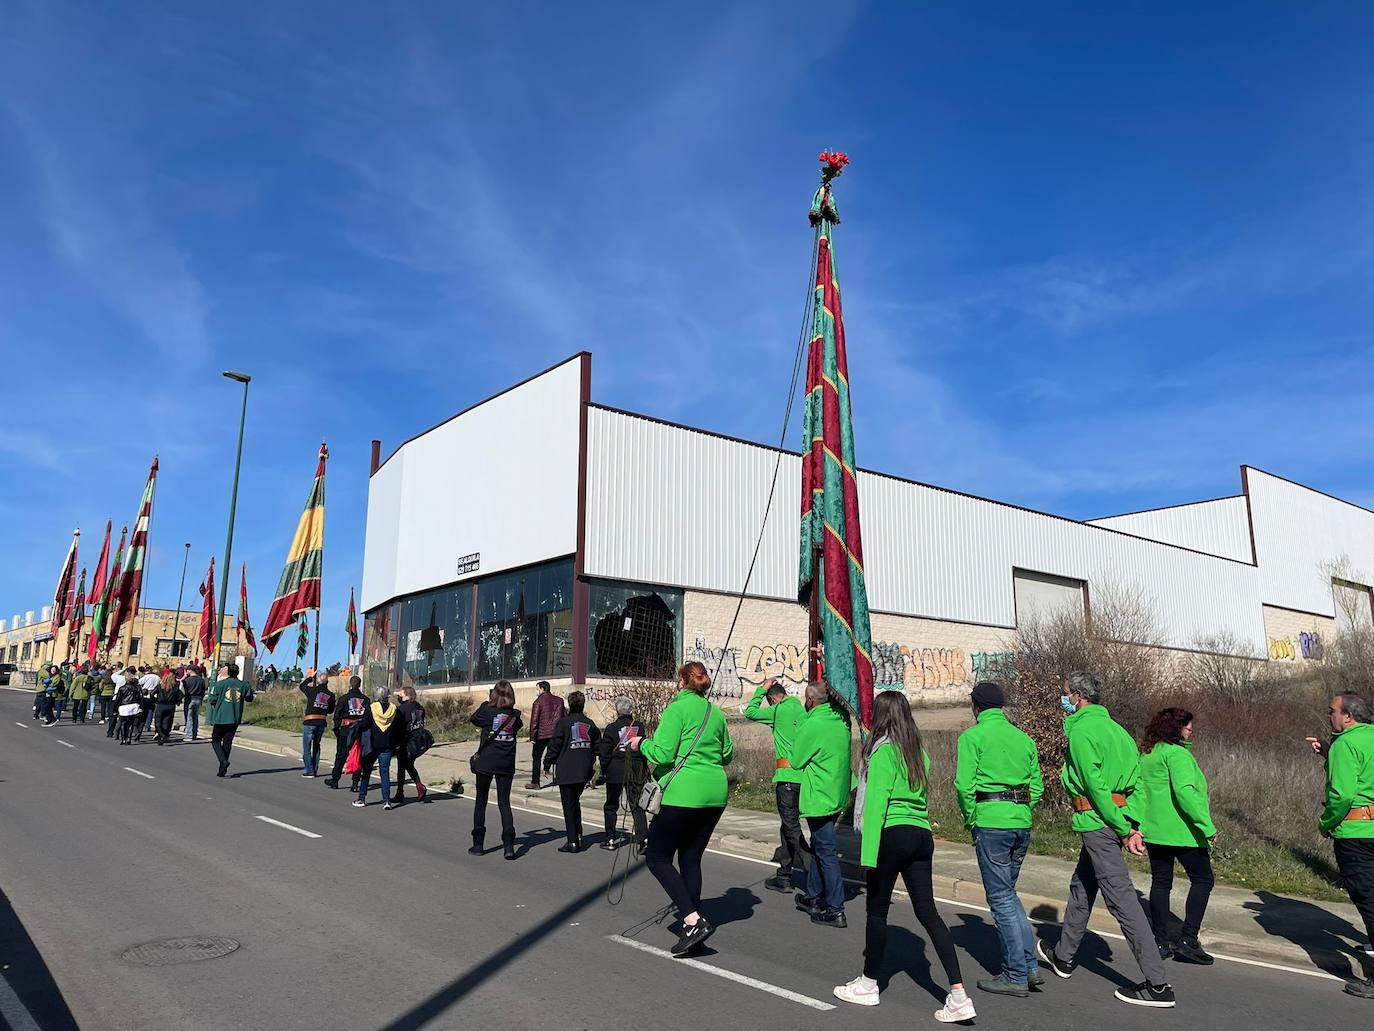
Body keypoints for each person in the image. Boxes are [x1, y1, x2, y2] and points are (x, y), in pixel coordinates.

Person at [1037, 672, 1176, 1009]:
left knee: (1121, 900)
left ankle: (1157, 985)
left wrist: (1124, 828)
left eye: (1067, 693)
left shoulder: (1083, 731)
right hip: (1114, 821)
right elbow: (1137, 785)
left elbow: (1095, 786)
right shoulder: (1120, 732)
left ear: (1080, 696)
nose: (1064, 698)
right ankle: (1064, 956)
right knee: (1082, 886)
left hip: (1098, 822)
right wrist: (1132, 823)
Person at [833, 690, 974, 1021]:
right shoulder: (918, 753)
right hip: (921, 835)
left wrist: (868, 857)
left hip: (892, 835)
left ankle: (869, 984)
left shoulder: (882, 754)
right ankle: (958, 994)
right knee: (928, 912)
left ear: (881, 717)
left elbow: (876, 805)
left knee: (877, 911)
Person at [628, 661, 733, 956]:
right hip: (714, 793)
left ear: (683, 682)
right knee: (690, 858)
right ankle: (694, 925)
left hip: (682, 793)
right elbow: (727, 754)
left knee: (657, 857)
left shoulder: (677, 709)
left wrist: (640, 744)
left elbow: (662, 752)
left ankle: (692, 919)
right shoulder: (716, 713)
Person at [954, 681, 1044, 996]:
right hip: (1021, 821)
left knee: (1001, 899)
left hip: (991, 821)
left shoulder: (972, 737)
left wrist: (972, 817)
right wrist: (1020, 809)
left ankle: (1015, 974)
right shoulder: (1023, 739)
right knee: (1009, 894)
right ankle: (1029, 966)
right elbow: (1037, 786)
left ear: (976, 707)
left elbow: (964, 784)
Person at [1134, 706, 1218, 965]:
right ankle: (1188, 940)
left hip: (1155, 830)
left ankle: (1160, 940)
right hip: (1183, 832)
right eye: (1187, 726)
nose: (1191, 730)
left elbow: (1139, 791)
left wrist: (1137, 826)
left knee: (1161, 883)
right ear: (1175, 728)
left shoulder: (1147, 754)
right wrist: (1207, 826)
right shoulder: (1177, 754)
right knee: (1203, 880)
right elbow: (1185, 793)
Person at [1308, 692, 1374, 1000]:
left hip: (1355, 831)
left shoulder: (1345, 744)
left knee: (1368, 900)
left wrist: (1326, 823)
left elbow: (1343, 794)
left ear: (1348, 716)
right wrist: (1329, 755)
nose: (1330, 715)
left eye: (1332, 711)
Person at [790, 681, 853, 928]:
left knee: (825, 850)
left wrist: (802, 723)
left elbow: (796, 760)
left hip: (820, 795)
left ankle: (835, 908)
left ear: (810, 701)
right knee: (818, 844)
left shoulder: (813, 724)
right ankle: (813, 895)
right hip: (838, 791)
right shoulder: (841, 720)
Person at [744, 677, 808, 891]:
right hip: (804, 778)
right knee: (787, 825)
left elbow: (750, 712)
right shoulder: (803, 711)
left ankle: (814, 869)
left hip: (787, 777)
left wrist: (760, 689)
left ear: (773, 699)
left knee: (791, 827)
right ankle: (784, 875)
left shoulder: (778, 710)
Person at [470, 680, 522, 859]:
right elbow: (517, 727)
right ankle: (509, 845)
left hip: (486, 761)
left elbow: (474, 718)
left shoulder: (487, 711)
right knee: (504, 803)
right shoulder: (514, 715)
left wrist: (487, 702)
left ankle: (478, 844)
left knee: (481, 801)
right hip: (506, 762)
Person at [544, 690, 601, 853]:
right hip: (584, 770)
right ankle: (578, 833)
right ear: (583, 705)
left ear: (570, 704)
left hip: (567, 769)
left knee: (568, 805)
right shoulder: (590, 723)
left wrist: (547, 763)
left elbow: (555, 745)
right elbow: (598, 746)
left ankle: (572, 840)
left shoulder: (563, 723)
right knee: (575, 802)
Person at [598, 695, 649, 852]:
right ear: (631, 710)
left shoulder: (611, 728)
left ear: (617, 710)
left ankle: (611, 839)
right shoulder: (639, 726)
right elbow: (643, 748)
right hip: (635, 769)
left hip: (615, 770)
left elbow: (604, 752)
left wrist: (604, 769)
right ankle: (644, 839)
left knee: (611, 805)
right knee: (636, 806)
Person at [353, 685, 402, 809]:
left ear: (377, 696)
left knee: (367, 772)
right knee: (384, 773)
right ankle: (386, 801)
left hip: (372, 744)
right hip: (388, 745)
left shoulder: (372, 708)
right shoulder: (394, 709)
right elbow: (400, 727)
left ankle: (361, 798)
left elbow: (364, 724)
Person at [206, 663, 254, 778]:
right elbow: (249, 698)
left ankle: (223, 761)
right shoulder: (243, 685)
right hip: (234, 717)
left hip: (221, 717)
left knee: (216, 740)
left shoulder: (220, 684)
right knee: (227, 742)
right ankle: (223, 764)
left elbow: (212, 699)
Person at [325, 676, 370, 790]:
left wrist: (336, 729)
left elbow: (337, 716)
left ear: (350, 684)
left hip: (345, 731)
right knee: (358, 756)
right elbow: (368, 717)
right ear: (359, 685)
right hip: (360, 731)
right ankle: (355, 783)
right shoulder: (366, 699)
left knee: (341, 756)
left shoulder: (344, 698)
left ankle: (335, 780)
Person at [393, 685, 430, 804]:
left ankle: (401, 792)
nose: (399, 697)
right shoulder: (420, 707)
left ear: (407, 695)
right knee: (408, 764)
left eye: (401, 695)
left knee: (402, 767)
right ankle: (418, 787)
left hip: (407, 740)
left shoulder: (402, 709)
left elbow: (398, 726)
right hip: (419, 740)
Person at [526, 680, 566, 790]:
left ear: (542, 689)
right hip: (556, 733)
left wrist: (532, 737)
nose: (536, 691)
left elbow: (534, 721)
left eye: (537, 689)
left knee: (536, 757)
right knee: (557, 756)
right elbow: (564, 717)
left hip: (541, 734)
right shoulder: (559, 701)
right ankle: (559, 779)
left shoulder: (538, 702)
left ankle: (535, 782)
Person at [298, 673, 336, 778]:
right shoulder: (331, 695)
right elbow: (330, 710)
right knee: (317, 746)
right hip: (321, 722)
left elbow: (302, 686)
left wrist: (310, 678)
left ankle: (309, 770)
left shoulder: (312, 691)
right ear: (327, 682)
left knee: (307, 747)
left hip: (310, 721)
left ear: (318, 681)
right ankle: (314, 768)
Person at [152, 669, 182, 744]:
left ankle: (160, 735)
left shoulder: (160, 686)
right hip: (170, 705)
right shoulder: (175, 686)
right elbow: (180, 695)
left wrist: (155, 700)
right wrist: (177, 701)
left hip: (160, 705)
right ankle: (164, 735)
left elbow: (152, 693)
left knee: (158, 722)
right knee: (166, 722)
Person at [114, 673, 142, 745]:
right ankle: (129, 738)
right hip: (134, 706)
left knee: (123, 723)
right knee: (131, 723)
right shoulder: (137, 688)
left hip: (124, 707)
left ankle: (123, 739)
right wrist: (140, 706)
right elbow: (140, 697)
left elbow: (118, 699)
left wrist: (115, 709)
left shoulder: (122, 688)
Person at [181, 665, 207, 741]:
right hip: (198, 699)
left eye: (187, 670)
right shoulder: (201, 680)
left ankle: (189, 735)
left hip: (189, 699)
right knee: (195, 717)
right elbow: (203, 691)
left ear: (190, 670)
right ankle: (195, 733)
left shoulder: (187, 680)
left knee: (189, 718)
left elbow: (183, 691)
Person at [138, 666, 161, 738]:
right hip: (154, 695)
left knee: (144, 711)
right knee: (151, 710)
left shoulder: (147, 676)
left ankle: (143, 725)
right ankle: (148, 725)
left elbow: (139, 682)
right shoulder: (158, 678)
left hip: (146, 694)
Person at [107, 664, 127, 737]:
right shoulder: (128, 679)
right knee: (123, 717)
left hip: (116, 698)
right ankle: (121, 733)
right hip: (125, 700)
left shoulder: (119, 678)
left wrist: (122, 670)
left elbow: (113, 675)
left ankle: (110, 731)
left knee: (113, 716)